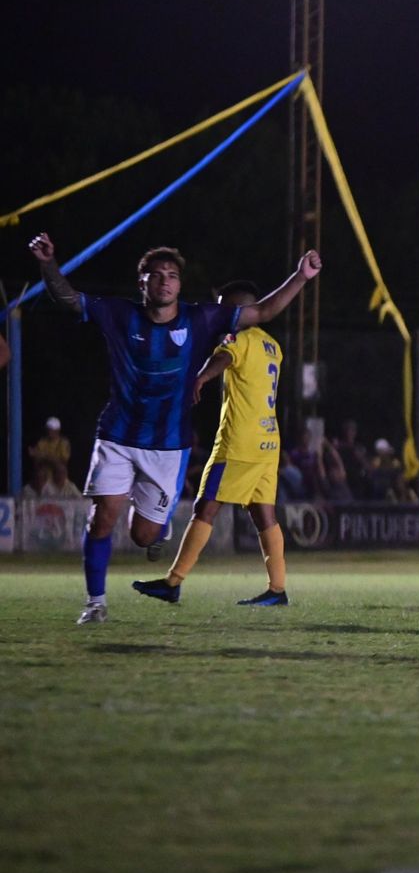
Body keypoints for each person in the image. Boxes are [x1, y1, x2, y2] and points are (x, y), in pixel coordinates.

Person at [27, 232, 320, 624]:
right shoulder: (119, 313)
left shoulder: (201, 318)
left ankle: (162, 536)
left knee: (144, 536)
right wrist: (48, 265)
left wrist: (301, 276)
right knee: (103, 517)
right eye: (156, 274)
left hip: (167, 445)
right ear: (142, 282)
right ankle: (95, 603)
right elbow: (69, 299)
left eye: (172, 275)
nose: (165, 280)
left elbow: (263, 312)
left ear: (179, 285)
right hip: (117, 434)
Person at [131, 280, 291, 607]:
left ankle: (172, 582)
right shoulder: (273, 345)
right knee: (265, 515)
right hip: (268, 442)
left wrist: (202, 376)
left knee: (205, 507)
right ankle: (277, 590)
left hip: (238, 442)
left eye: (224, 308)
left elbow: (224, 359)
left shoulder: (238, 337)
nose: (220, 315)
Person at [29, 416, 73, 492]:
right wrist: (45, 458)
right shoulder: (42, 442)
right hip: (44, 480)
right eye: (48, 429)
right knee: (39, 473)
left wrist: (43, 456)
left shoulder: (63, 443)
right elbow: (37, 460)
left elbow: (63, 462)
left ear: (57, 430)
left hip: (59, 480)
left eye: (52, 430)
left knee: (60, 468)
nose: (50, 432)